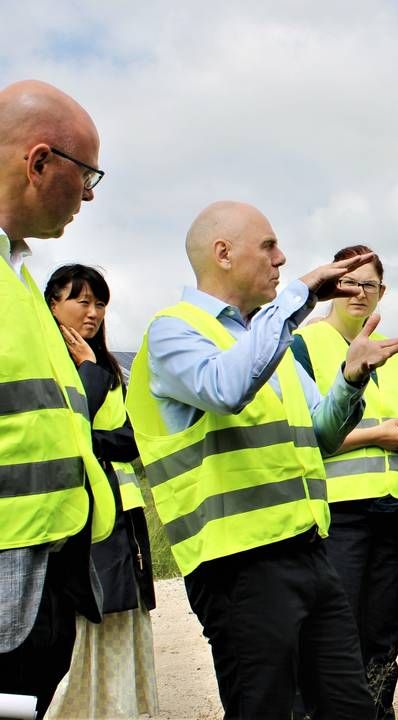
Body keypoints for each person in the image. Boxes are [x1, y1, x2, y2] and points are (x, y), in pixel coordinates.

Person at [125, 200, 398, 719]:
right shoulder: (173, 331)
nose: (281, 259)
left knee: (350, 707)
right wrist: (299, 297)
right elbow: (225, 388)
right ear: (224, 253)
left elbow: (321, 433)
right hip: (239, 565)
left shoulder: (269, 340)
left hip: (308, 550)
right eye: (269, 246)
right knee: (265, 710)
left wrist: (350, 379)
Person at [0, 79, 116, 718]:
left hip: (46, 564)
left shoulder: (15, 282)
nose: (90, 193)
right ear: (40, 160)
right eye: (86, 173)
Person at [292, 245, 398, 719]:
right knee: (336, 631)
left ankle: (377, 710)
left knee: (385, 631)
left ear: (382, 291)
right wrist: (379, 435)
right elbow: (304, 434)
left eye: (368, 284)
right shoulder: (304, 345)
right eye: (348, 282)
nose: (358, 292)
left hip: (396, 510)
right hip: (338, 514)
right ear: (332, 286)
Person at [43, 264, 159, 719]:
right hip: (79, 516)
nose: (93, 312)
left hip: (122, 515)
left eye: (100, 302)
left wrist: (94, 436)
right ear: (53, 304)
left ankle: (117, 709)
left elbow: (133, 441)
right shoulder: (54, 362)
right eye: (81, 300)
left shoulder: (109, 367)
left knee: (120, 619)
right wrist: (88, 373)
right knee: (82, 624)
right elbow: (63, 432)